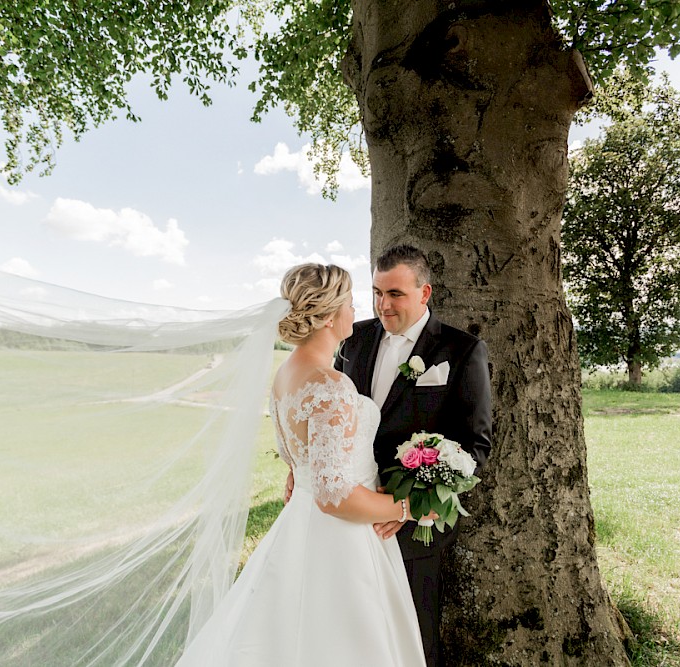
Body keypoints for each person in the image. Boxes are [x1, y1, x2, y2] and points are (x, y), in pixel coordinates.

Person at [176, 262, 427, 666]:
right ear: (329, 316)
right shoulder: (330, 385)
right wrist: (410, 506)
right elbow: (334, 496)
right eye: (348, 302)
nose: (355, 310)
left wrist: (300, 473)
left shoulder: (286, 374)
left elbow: (307, 461)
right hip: (342, 543)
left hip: (300, 525)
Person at [335, 244, 493, 667]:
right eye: (376, 293)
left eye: (395, 294)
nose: (383, 305)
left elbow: (474, 446)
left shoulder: (461, 351)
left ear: (424, 294)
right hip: (351, 510)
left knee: (412, 636)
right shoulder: (353, 339)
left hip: (414, 526)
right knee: (353, 632)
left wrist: (410, 506)